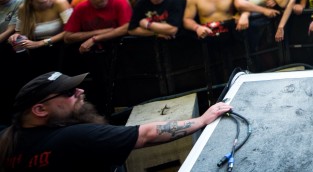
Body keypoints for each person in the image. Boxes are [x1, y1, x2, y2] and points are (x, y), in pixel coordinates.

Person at [0, 71, 231, 172]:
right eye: (69, 92)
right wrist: (201, 120)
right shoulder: (73, 137)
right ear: (40, 109)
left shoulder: (7, 141)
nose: (80, 91)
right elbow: (146, 135)